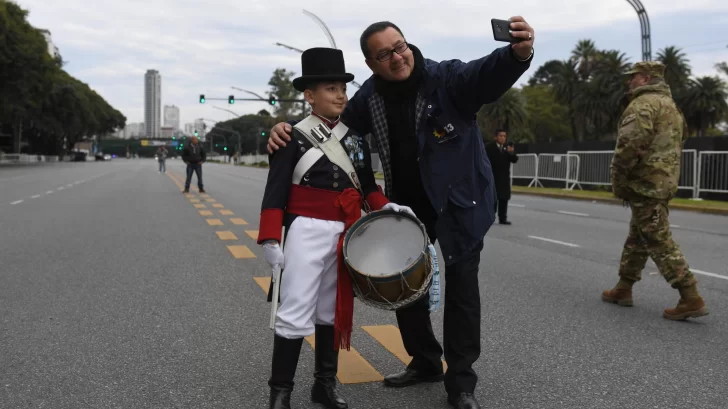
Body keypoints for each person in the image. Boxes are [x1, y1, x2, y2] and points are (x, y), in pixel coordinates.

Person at [267, 18, 535, 409]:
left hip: (459, 201)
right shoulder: (369, 98)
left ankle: (461, 383)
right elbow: (328, 127)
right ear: (371, 64)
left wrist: (518, 54)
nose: (397, 57)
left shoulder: (447, 78)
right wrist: (285, 128)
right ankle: (425, 360)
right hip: (407, 203)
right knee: (404, 287)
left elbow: (486, 74)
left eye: (400, 46)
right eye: (384, 54)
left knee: (462, 290)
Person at [257, 47, 415, 409]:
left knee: (329, 310)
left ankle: (323, 387)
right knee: (295, 309)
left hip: (344, 233)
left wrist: (386, 206)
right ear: (309, 96)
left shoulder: (356, 140)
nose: (341, 95)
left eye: (342, 88)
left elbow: (367, 188)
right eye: (330, 89)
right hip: (304, 232)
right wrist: (269, 237)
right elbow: (275, 191)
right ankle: (280, 392)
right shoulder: (291, 137)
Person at [602, 61, 709, 321]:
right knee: (638, 236)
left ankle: (690, 295)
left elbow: (628, 144)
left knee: (658, 238)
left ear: (647, 78)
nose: (630, 81)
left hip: (645, 183)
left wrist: (618, 180)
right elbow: (679, 139)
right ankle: (623, 288)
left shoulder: (642, 105)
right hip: (664, 181)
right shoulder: (672, 107)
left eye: (634, 77)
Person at [485, 129, 518, 225]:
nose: (503, 138)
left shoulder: (507, 148)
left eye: (504, 136)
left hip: (504, 178)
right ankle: (489, 217)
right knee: (492, 199)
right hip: (492, 176)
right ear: (495, 137)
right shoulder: (489, 147)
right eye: (500, 136)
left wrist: (511, 152)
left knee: (504, 198)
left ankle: (503, 218)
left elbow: (514, 159)